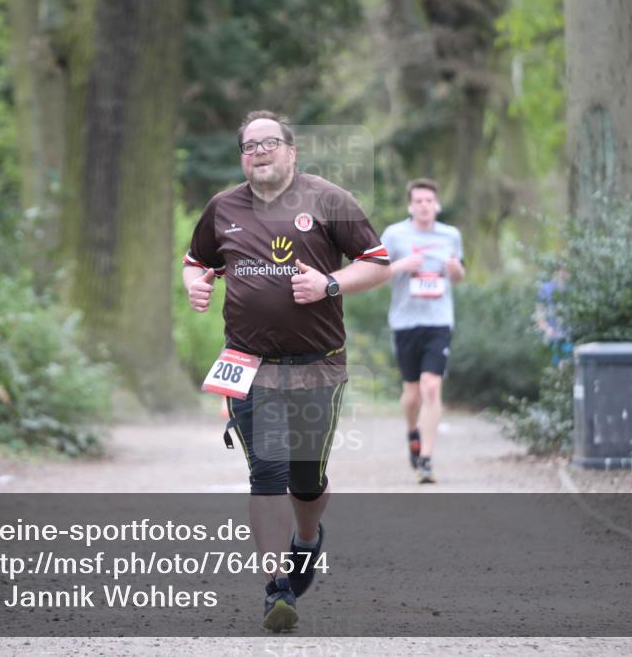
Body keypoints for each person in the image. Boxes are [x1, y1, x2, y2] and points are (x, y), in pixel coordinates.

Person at [182, 110, 390, 632]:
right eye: (250, 146)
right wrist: (195, 283)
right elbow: (196, 261)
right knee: (267, 472)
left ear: (292, 153)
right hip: (248, 365)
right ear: (242, 158)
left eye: (270, 143)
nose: (260, 152)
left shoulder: (328, 200)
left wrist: (330, 285)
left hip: (318, 367)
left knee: (306, 478)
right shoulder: (222, 208)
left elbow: (377, 261)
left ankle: (306, 540)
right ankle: (276, 588)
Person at [380, 179, 464, 484]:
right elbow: (376, 272)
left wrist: (454, 270)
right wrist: (403, 265)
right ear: (410, 205)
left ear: (436, 204)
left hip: (439, 320)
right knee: (412, 393)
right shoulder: (394, 234)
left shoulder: (450, 235)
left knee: (431, 386)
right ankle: (412, 432)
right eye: (418, 201)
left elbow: (458, 274)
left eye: (429, 200)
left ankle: (426, 459)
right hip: (405, 321)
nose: (424, 206)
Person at [535, 267, 572, 366]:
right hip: (554, 338)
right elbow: (539, 315)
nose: (564, 274)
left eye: (566, 271)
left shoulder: (573, 289)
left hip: (572, 337)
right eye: (561, 271)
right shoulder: (546, 290)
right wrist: (547, 328)